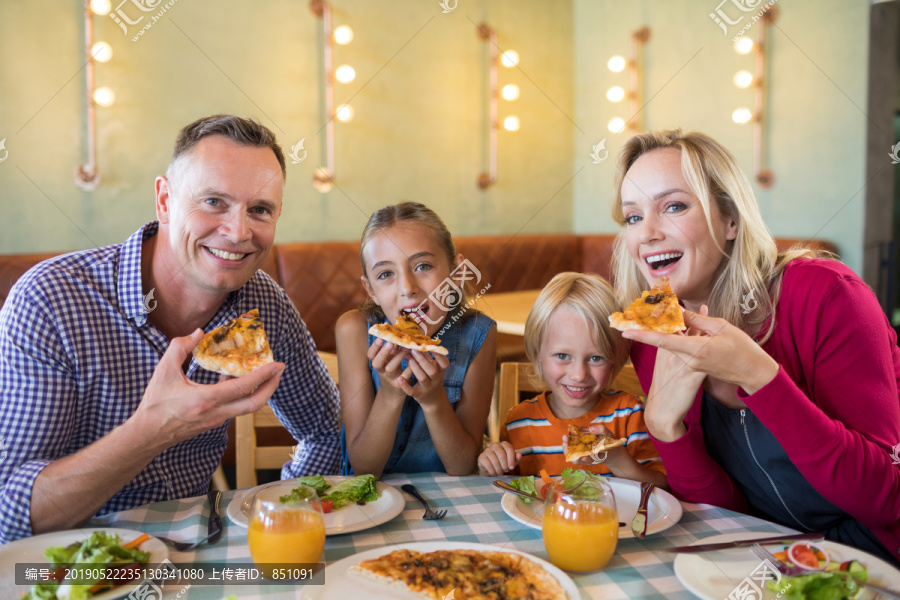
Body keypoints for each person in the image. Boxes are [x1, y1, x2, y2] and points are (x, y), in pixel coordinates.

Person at [0, 115, 340, 543]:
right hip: (73, 572)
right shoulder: (51, 300)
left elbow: (327, 431)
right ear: (164, 200)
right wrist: (153, 428)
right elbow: (7, 517)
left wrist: (276, 518)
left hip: (197, 562)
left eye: (259, 210)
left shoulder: (264, 305)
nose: (238, 232)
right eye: (214, 201)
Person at [605, 128, 900, 566]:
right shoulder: (654, 341)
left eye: (674, 206)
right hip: (765, 559)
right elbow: (725, 514)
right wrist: (666, 430)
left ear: (731, 220)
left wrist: (760, 378)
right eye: (632, 217)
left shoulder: (827, 296)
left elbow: (884, 501)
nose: (646, 233)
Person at [328, 202, 497, 477]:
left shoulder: (479, 333)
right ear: (370, 289)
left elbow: (463, 465)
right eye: (386, 274)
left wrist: (434, 401)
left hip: (451, 500)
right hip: (372, 500)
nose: (408, 287)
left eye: (423, 266)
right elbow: (363, 467)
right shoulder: (353, 330)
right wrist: (390, 392)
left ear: (455, 274)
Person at [477, 272, 667, 486]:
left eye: (596, 358)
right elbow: (513, 490)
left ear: (616, 359)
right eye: (562, 356)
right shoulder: (520, 422)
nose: (579, 375)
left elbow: (660, 487)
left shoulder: (629, 415)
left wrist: (616, 458)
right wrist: (492, 468)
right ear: (538, 352)